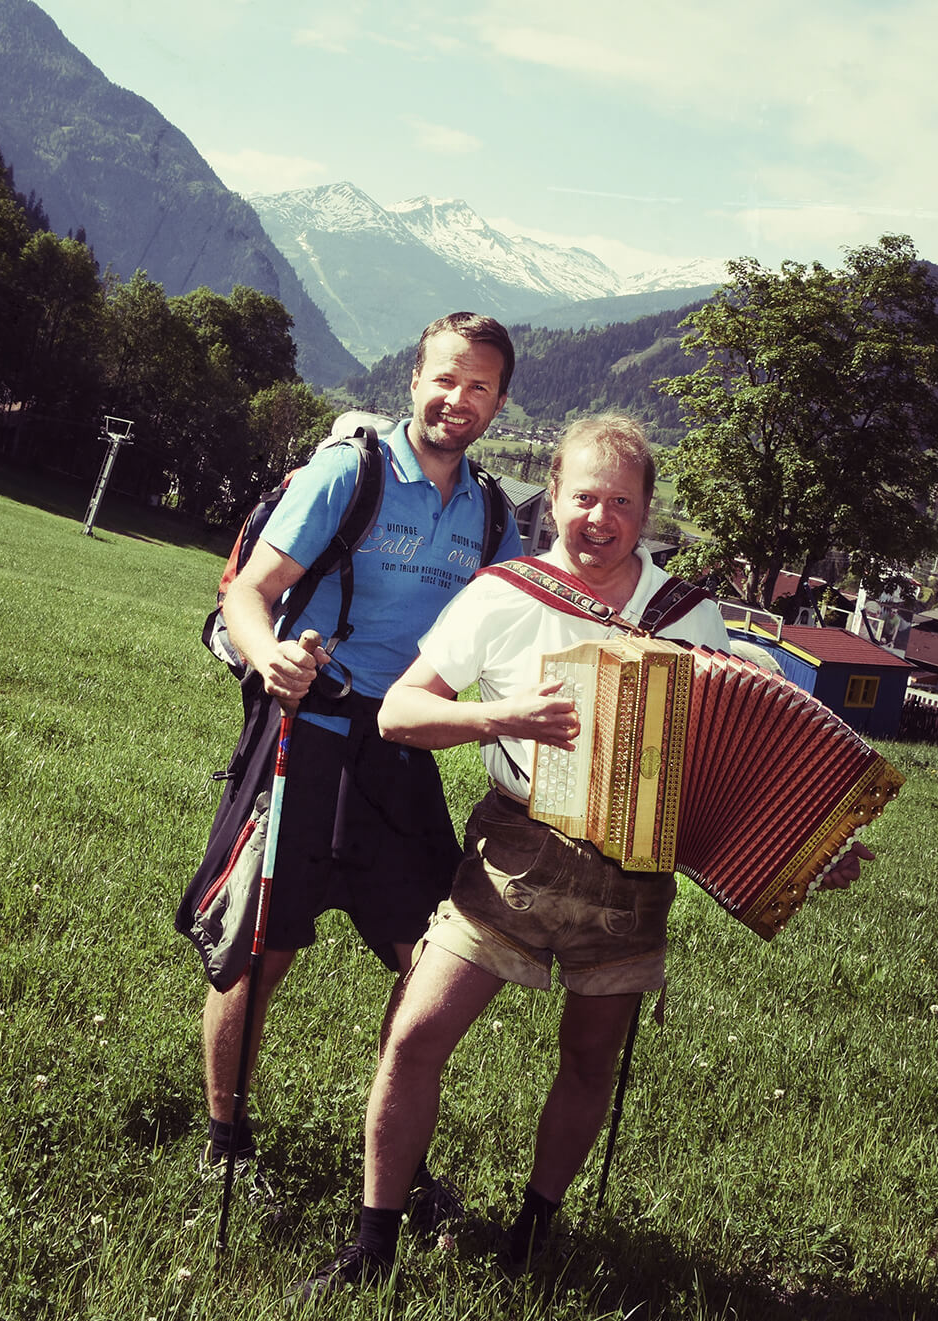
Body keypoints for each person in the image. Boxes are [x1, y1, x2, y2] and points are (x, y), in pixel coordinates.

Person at [301, 412, 871, 1293]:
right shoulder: (504, 592)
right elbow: (398, 713)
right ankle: (372, 1246)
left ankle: (535, 1227)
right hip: (513, 852)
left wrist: (802, 847)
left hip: (632, 874)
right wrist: (499, 716)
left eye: (620, 502)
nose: (598, 518)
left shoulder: (688, 614)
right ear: (552, 498)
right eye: (582, 497)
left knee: (589, 1056)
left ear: (646, 512)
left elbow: (724, 753)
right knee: (416, 1035)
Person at [183, 312, 524, 1212]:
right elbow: (251, 592)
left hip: (399, 753)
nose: (459, 397)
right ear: (414, 379)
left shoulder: (493, 515)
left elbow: (536, 629)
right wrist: (270, 657)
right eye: (445, 377)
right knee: (259, 947)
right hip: (306, 733)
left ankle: (397, 1163)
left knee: (429, 961)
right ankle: (225, 1141)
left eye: (480, 385)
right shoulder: (353, 471)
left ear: (499, 401)